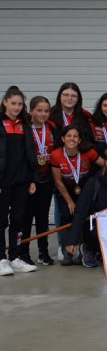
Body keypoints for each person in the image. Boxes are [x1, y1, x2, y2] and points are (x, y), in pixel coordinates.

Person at [49, 125, 103, 266]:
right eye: (68, 136)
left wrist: (97, 182)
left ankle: (80, 249)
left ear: (79, 140)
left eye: (75, 136)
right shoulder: (56, 154)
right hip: (65, 191)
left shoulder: (88, 152)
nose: (72, 139)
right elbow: (58, 181)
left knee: (83, 217)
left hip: (84, 190)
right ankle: (67, 250)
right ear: (62, 138)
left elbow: (105, 165)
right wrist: (69, 201)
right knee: (67, 216)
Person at [0, 87, 39, 275]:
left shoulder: (25, 124)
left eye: (20, 104)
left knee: (18, 220)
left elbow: (30, 152)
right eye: (13, 103)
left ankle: (14, 257)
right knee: (1, 221)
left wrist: (32, 178)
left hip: (22, 181)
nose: (16, 107)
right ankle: (1, 258)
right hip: (3, 182)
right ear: (5, 102)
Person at [23, 96, 57, 266]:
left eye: (46, 111)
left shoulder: (51, 127)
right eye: (39, 110)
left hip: (46, 179)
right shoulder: (25, 128)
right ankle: (24, 253)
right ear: (31, 111)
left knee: (43, 217)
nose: (43, 114)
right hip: (30, 181)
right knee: (27, 217)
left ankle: (43, 253)